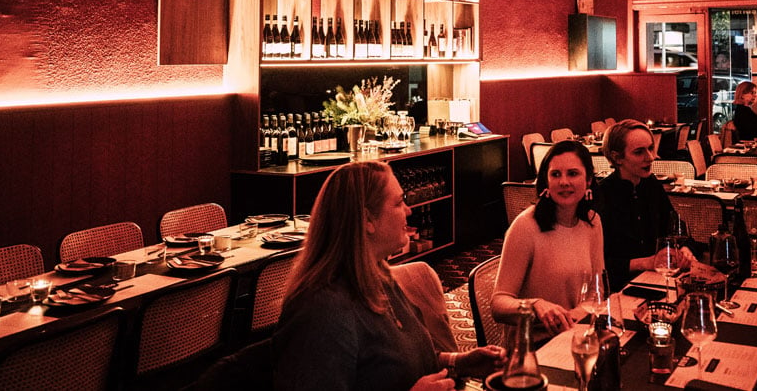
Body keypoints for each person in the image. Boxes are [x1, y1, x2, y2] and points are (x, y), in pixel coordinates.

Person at [274, 162, 505, 391]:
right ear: (367, 220)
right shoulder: (323, 312)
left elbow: (406, 361)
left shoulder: (379, 278)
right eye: (399, 202)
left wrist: (459, 363)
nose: (409, 210)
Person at [492, 140, 604, 336]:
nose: (564, 182)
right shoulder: (526, 226)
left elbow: (597, 290)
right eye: (555, 174)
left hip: (576, 333)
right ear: (546, 181)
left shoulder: (593, 222)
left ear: (588, 181)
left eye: (573, 173)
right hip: (533, 344)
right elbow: (498, 304)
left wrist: (574, 316)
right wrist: (535, 306)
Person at [594, 119, 694, 290]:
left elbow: (675, 228)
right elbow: (599, 264)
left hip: (658, 280)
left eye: (651, 148)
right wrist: (646, 262)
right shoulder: (602, 196)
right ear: (617, 158)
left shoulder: (651, 184)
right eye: (639, 152)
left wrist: (684, 249)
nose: (651, 157)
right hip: (620, 289)